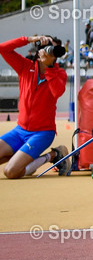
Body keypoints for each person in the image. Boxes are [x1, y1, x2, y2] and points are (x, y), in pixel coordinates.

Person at [0, 35, 71, 177]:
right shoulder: (25, 66)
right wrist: (28, 39)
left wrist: (50, 68)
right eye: (50, 49)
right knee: (15, 164)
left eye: (55, 50)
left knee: (11, 172)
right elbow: (2, 48)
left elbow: (57, 92)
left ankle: (53, 155)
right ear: (39, 52)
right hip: (20, 131)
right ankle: (24, 157)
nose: (53, 54)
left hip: (42, 133)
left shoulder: (59, 73)